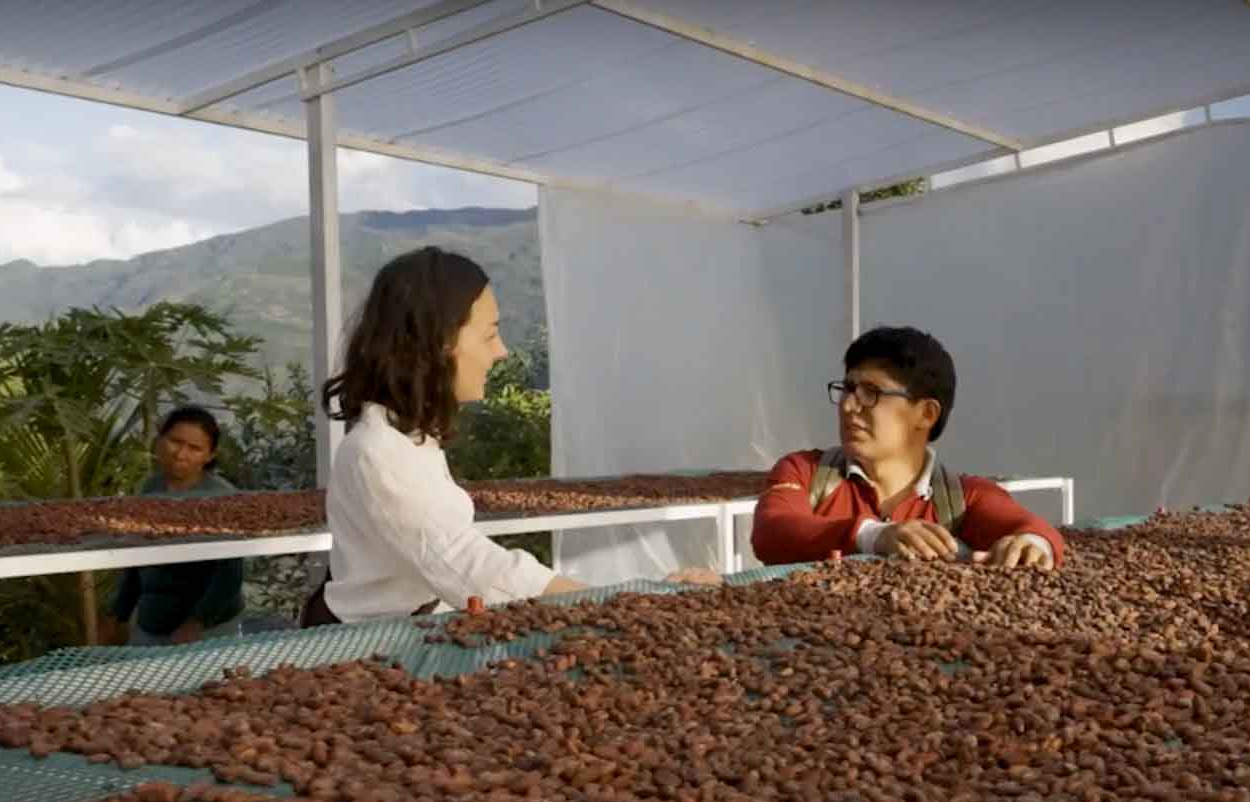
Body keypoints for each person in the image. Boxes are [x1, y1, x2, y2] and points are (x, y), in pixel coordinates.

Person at [304, 247, 714, 627]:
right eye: (488, 335)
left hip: (411, 621)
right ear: (439, 343)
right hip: (363, 639)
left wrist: (638, 598)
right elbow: (465, 565)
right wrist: (626, 603)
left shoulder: (409, 437)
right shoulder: (378, 454)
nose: (500, 351)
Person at [750, 326, 1067, 569]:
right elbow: (772, 531)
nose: (848, 406)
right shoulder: (805, 472)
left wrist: (1031, 544)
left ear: (926, 414)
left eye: (870, 393)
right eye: (847, 388)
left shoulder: (964, 499)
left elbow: (1033, 530)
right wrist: (873, 536)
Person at [108, 406, 247, 645]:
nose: (181, 454)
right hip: (151, 623)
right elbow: (136, 559)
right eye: (175, 441)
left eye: (194, 448)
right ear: (160, 439)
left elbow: (230, 573)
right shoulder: (150, 488)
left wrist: (196, 623)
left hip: (208, 631)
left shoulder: (221, 497)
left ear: (210, 455)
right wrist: (118, 613)